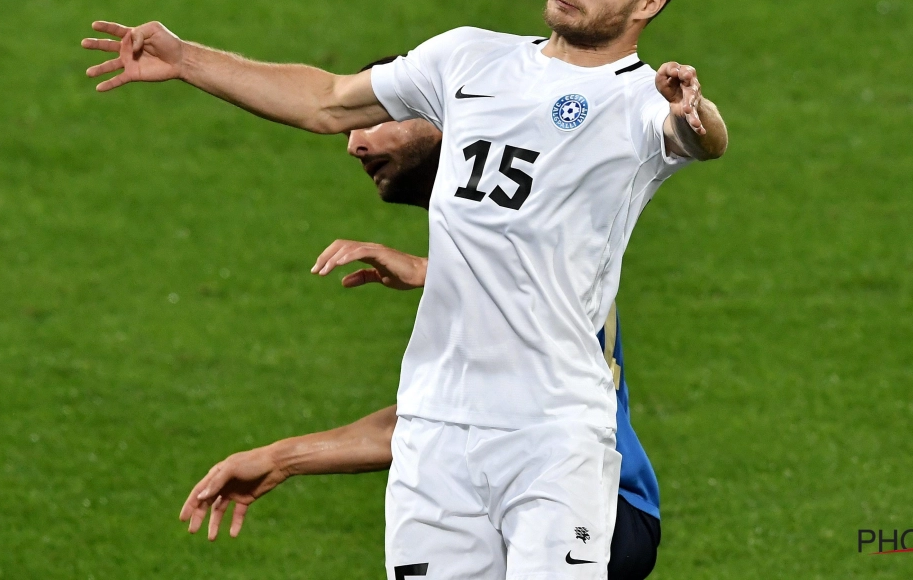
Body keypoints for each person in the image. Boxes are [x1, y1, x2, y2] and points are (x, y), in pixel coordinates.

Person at [83, 0, 727, 579]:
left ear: (648, 5)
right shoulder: (467, 59)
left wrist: (694, 112)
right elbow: (327, 100)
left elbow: (699, 138)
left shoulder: (641, 101)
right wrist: (185, 61)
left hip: (554, 434)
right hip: (433, 433)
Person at [179, 103, 663, 579]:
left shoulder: (532, 224)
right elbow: (430, 423)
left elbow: (547, 288)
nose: (355, 144)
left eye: (377, 118)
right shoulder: (487, 239)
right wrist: (280, 459)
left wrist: (429, 272)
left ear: (447, 121)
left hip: (598, 501)